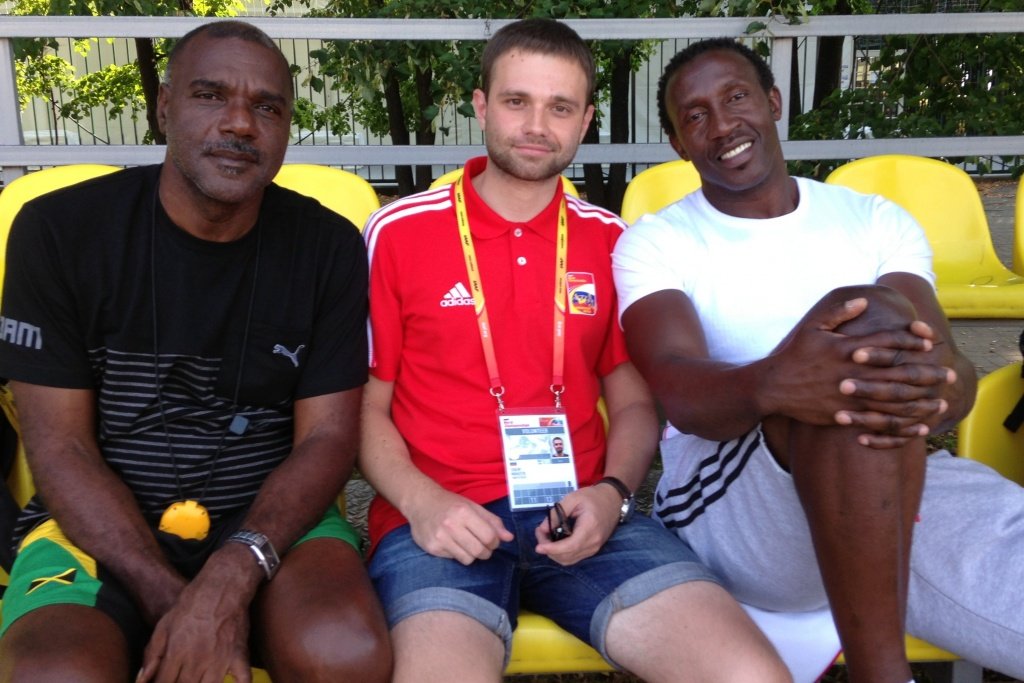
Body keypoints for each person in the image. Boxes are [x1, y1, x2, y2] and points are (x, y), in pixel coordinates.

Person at [359, 18, 791, 683]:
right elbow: (365, 406)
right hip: (442, 525)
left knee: (749, 675)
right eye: (517, 101)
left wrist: (613, 494)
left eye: (560, 107)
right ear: (481, 105)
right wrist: (422, 502)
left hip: (583, 516)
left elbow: (634, 402)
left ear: (586, 120)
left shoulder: (612, 240)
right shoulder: (397, 232)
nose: (537, 125)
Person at [613, 37, 1024, 683]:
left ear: (773, 102)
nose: (722, 125)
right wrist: (781, 382)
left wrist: (936, 389)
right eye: (695, 116)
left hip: (894, 466)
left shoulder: (873, 219)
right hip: (734, 505)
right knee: (841, 378)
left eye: (736, 98)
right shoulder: (658, 241)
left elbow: (947, 369)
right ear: (678, 144)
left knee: (868, 342)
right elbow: (680, 392)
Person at [0, 20, 391, 683]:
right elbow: (60, 448)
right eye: (210, 95)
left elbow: (327, 438)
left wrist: (232, 575)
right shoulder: (59, 231)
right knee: (54, 674)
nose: (240, 122)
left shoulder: (326, 245)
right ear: (164, 107)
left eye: (268, 107)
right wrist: (177, 602)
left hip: (272, 524)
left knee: (342, 654)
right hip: (96, 523)